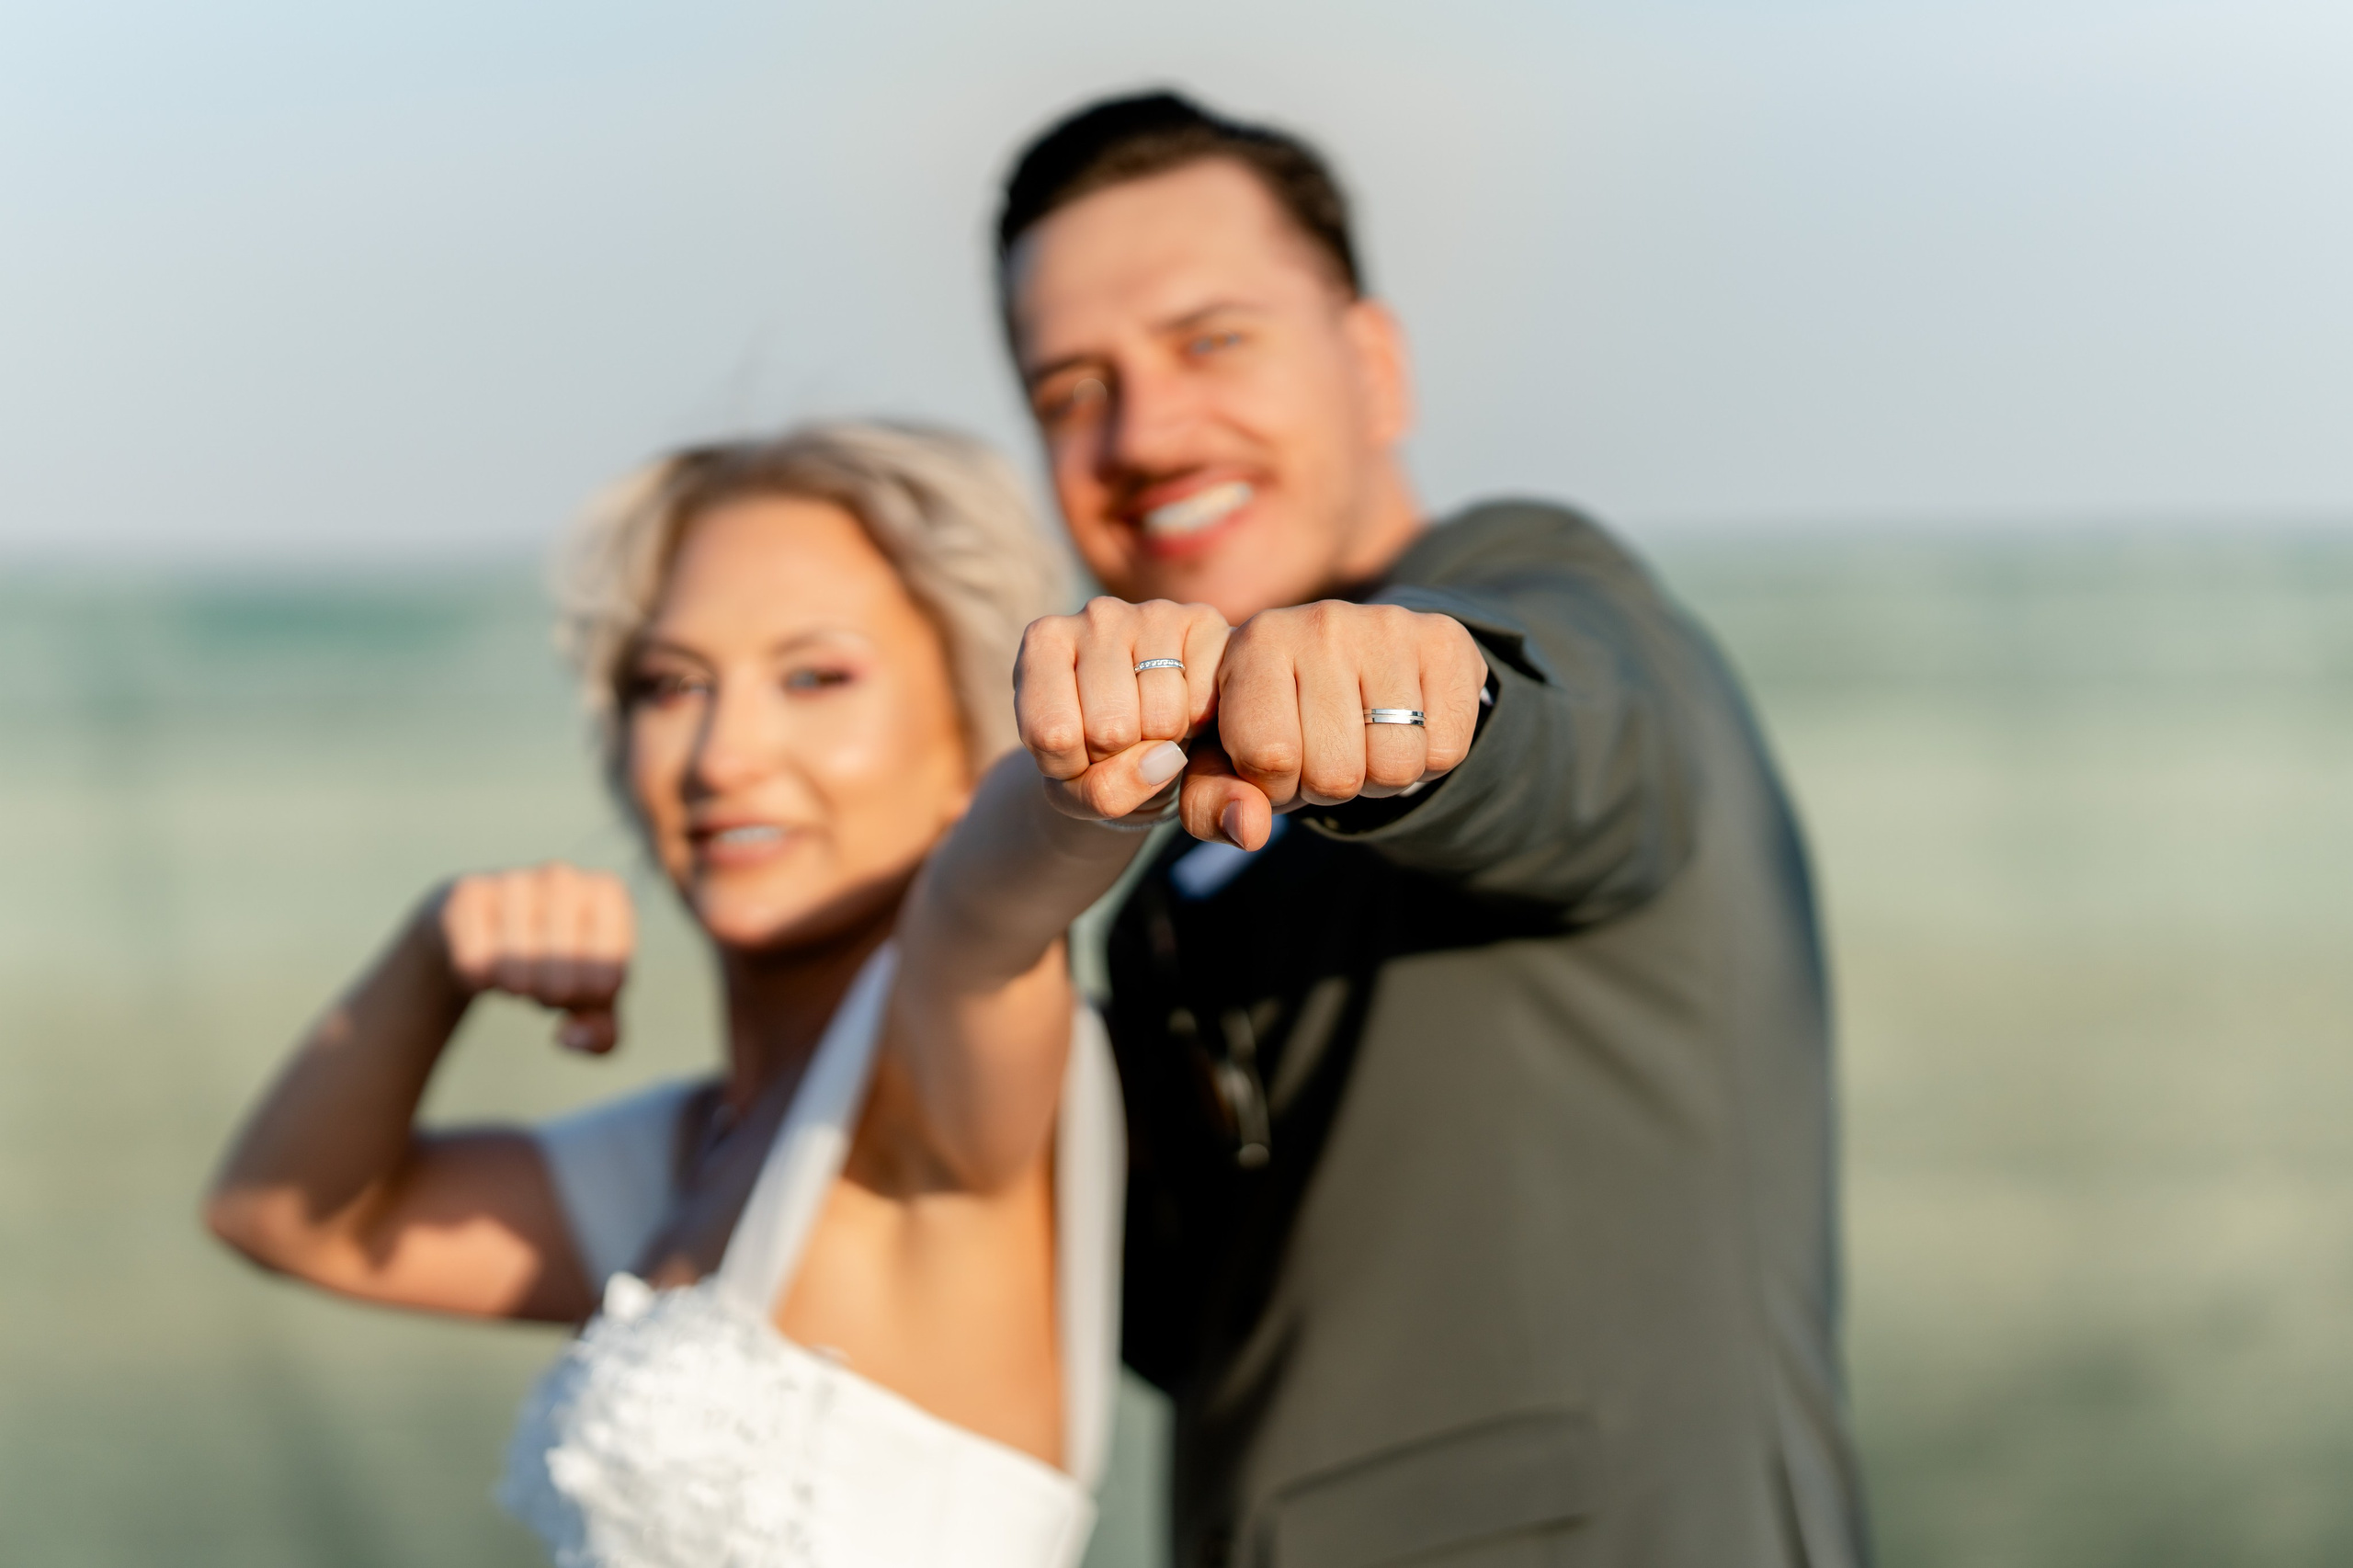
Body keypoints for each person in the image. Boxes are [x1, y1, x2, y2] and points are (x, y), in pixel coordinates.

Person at [995, 94, 1872, 1566]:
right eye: (1072, 389)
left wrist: (1419, 707)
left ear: (1375, 366)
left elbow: (1570, 746)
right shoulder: (1164, 858)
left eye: (1213, 340)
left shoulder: (1542, 592)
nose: (1143, 430)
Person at [203, 422, 1211, 1567]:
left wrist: (1090, 777)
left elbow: (991, 907)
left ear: (973, 729)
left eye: (815, 674)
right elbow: (287, 1216)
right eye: (670, 683)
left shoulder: (934, 1071)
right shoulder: (689, 1154)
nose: (723, 754)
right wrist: (433, 953)